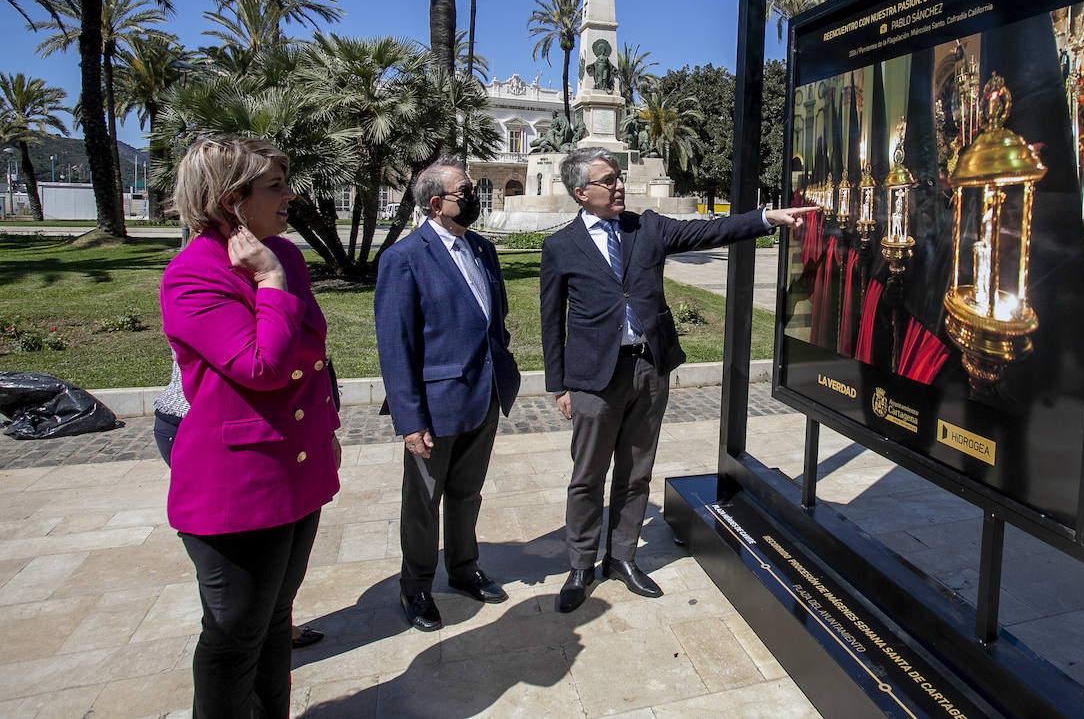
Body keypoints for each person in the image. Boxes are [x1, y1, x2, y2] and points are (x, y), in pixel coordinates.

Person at [540, 147, 817, 612]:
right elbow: (551, 320)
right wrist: (559, 386)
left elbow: (710, 229)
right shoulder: (560, 246)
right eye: (608, 181)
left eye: (619, 178)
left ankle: (623, 556)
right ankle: (582, 563)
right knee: (587, 475)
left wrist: (767, 217)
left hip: (648, 368)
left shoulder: (646, 227)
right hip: (593, 379)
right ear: (581, 192)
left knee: (637, 470)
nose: (619, 186)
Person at [160, 136, 341, 717]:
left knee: (275, 622)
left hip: (295, 464)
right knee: (236, 632)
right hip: (239, 481)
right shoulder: (195, 273)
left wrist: (326, 428)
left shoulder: (281, 254)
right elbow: (261, 366)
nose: (291, 195)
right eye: (275, 186)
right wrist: (268, 285)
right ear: (231, 201)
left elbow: (311, 354)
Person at [375, 157, 521, 632]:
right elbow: (396, 346)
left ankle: (463, 568)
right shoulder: (404, 258)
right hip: (435, 407)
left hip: (485, 394)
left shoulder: (482, 248)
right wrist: (409, 419)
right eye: (466, 191)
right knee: (422, 501)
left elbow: (490, 320)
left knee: (467, 494)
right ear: (436, 204)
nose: (474, 196)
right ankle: (415, 586)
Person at [153, 359, 325, 650]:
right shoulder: (209, 311)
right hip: (202, 428)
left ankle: (276, 631)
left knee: (278, 570)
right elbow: (262, 365)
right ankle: (248, 651)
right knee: (238, 592)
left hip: (274, 429)